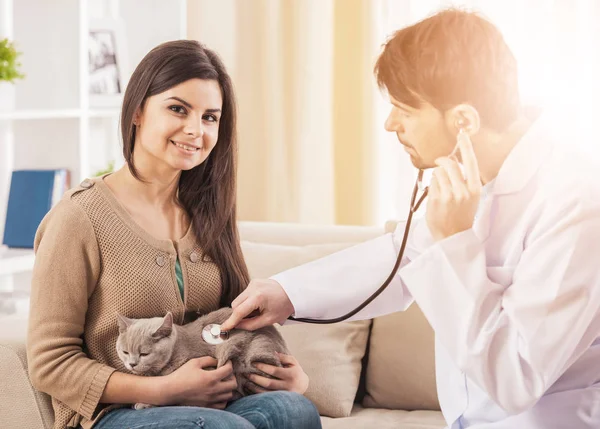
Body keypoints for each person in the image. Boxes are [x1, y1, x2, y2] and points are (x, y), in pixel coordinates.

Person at [221, 8, 600, 429]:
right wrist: (286, 292)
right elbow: (400, 258)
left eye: (404, 108)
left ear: (463, 121)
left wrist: (455, 244)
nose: (389, 123)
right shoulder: (476, 180)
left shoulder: (576, 202)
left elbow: (515, 377)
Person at [26, 40, 321, 429]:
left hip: (212, 405)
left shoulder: (209, 214)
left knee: (293, 409)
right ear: (137, 112)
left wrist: (285, 375)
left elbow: (238, 321)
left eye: (210, 117)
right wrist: (163, 391)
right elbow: (49, 363)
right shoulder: (78, 217)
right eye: (178, 109)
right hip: (120, 413)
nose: (195, 130)